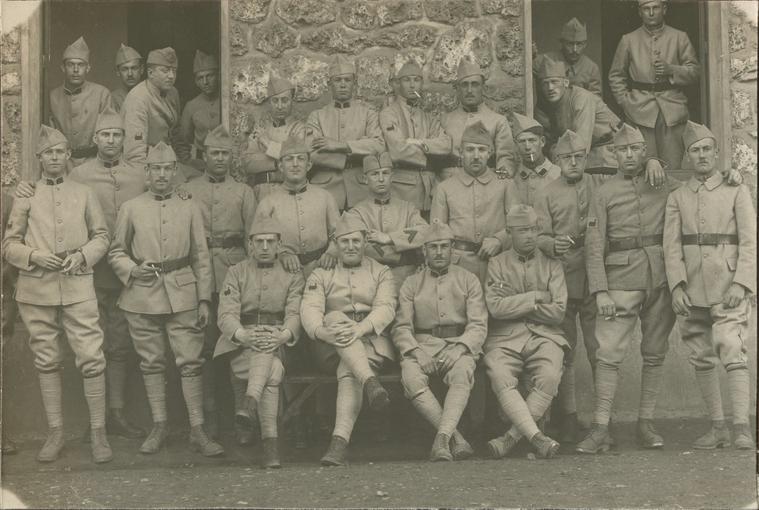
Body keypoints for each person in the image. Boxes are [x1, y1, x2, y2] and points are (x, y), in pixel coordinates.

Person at [3, 125, 111, 463]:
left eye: (60, 152)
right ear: (39, 158)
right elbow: (9, 245)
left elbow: (102, 236)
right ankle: (55, 432)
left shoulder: (84, 192)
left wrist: (83, 256)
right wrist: (34, 256)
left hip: (78, 286)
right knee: (46, 359)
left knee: (92, 357)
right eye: (48, 153)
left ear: (68, 156)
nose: (54, 158)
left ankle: (98, 433)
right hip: (36, 289)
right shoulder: (26, 195)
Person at [108, 141, 223, 457]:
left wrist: (203, 300)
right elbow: (116, 249)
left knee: (190, 361)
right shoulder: (131, 207)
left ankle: (197, 429)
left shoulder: (189, 206)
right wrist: (132, 269)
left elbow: (201, 256)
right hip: (141, 295)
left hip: (183, 291)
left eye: (167, 169)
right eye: (155, 168)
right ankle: (159, 425)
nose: (161, 174)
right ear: (146, 172)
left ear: (175, 171)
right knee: (151, 361)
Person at [576, 123, 680, 453]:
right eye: (623, 150)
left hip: (659, 279)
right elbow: (594, 244)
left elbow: (695, 191)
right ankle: (600, 427)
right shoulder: (604, 192)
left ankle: (645, 424)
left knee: (654, 353)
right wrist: (600, 291)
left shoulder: (660, 182)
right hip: (619, 280)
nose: (629, 155)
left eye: (635, 149)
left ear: (643, 151)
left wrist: (659, 164)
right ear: (614, 154)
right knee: (608, 355)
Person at [663, 122, 756, 450]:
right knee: (701, 356)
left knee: (733, 349)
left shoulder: (736, 190)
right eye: (695, 150)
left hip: (727, 286)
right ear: (687, 157)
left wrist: (742, 283)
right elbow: (671, 246)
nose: (701, 155)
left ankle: (742, 426)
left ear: (716, 153)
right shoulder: (678, 196)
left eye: (706, 149)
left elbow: (749, 240)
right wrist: (676, 286)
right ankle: (717, 426)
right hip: (693, 291)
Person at [300, 217, 397, 466]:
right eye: (345, 241)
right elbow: (309, 310)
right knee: (333, 316)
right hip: (330, 344)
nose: (351, 246)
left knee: (349, 370)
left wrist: (360, 328)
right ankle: (370, 382)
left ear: (365, 242)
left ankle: (338, 443)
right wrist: (323, 333)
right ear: (336, 243)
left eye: (356, 241)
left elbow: (386, 308)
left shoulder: (381, 271)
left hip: (372, 341)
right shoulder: (322, 273)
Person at [185, 124, 257, 440]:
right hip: (198, 280)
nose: (219, 159)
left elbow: (253, 238)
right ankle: (209, 418)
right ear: (204, 154)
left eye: (225, 154)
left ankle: (242, 417)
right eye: (214, 153)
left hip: (234, 274)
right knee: (202, 348)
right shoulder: (189, 189)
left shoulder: (243, 192)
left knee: (236, 346)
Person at [392, 221, 487, 461]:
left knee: (463, 371)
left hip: (458, 342)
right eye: (433, 247)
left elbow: (478, 324)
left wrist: (461, 348)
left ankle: (441, 439)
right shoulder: (411, 283)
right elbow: (401, 327)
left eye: (444, 246)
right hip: (422, 344)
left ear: (453, 248)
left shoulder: (468, 279)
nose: (439, 252)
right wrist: (417, 351)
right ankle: (455, 438)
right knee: (411, 378)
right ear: (424, 250)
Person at [215, 217, 305, 468]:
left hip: (279, 339)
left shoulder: (292, 274)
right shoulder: (236, 271)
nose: (265, 247)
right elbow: (226, 314)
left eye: (270, 242)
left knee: (268, 354)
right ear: (250, 245)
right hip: (241, 343)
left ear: (279, 245)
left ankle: (249, 402)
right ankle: (271, 447)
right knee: (273, 372)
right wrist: (243, 335)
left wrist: (284, 334)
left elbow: (295, 312)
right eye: (259, 242)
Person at [535, 129, 604, 444]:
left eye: (578, 157)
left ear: (586, 158)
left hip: (595, 279)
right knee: (565, 350)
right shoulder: (546, 193)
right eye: (567, 158)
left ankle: (602, 422)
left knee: (599, 351)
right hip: (561, 280)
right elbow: (539, 237)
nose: (573, 163)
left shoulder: (597, 186)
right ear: (557, 160)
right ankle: (570, 417)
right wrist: (553, 243)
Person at [484, 204, 567, 460]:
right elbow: (496, 308)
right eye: (522, 231)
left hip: (545, 335)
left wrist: (516, 303)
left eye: (533, 229)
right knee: (499, 373)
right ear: (509, 233)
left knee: (551, 374)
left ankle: (511, 437)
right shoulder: (497, 263)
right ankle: (536, 437)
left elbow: (558, 312)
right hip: (505, 337)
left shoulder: (552, 264)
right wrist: (534, 298)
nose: (530, 235)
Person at [608, 0, 700, 170]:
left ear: (664, 9)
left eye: (655, 7)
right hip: (639, 110)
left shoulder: (679, 37)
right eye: (646, 8)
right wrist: (625, 102)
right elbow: (616, 75)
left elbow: (695, 72)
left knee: (673, 166)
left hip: (672, 110)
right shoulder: (628, 40)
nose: (651, 13)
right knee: (642, 165)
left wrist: (671, 69)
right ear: (639, 11)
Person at [430, 121, 512, 285]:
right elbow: (436, 233)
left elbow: (517, 225)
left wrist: (499, 240)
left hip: (497, 263)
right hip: (458, 266)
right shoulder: (444, 188)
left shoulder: (505, 184)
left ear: (490, 153)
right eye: (470, 150)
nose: (476, 156)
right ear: (461, 152)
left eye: (481, 150)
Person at [306, 56, 385, 211]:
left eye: (347, 80)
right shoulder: (317, 116)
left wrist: (341, 145)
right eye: (338, 80)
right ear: (329, 84)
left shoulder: (368, 113)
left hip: (361, 186)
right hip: (326, 187)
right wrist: (357, 150)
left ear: (354, 84)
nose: (343, 85)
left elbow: (379, 146)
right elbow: (311, 153)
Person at [342, 152, 427, 293]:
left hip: (408, 277)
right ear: (365, 178)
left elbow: (426, 232)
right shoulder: (356, 213)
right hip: (371, 278)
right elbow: (363, 248)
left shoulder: (407, 208)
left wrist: (389, 238)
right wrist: (405, 252)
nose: (381, 179)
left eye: (385, 173)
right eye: (374, 174)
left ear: (392, 177)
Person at [254, 136, 339, 278]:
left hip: (321, 271)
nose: (295, 164)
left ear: (309, 165)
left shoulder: (325, 197)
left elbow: (339, 233)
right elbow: (255, 244)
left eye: (300, 158)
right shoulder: (268, 202)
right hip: (282, 273)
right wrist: (281, 253)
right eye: (289, 159)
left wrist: (331, 252)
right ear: (281, 166)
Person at [380, 60, 452, 213]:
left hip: (430, 188)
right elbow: (398, 150)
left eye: (416, 80)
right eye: (407, 80)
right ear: (398, 84)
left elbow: (446, 145)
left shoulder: (428, 117)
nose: (412, 85)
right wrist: (431, 156)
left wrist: (418, 142)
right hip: (402, 189)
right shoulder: (389, 114)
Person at [535, 56, 619, 174]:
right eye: (545, 84)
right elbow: (549, 140)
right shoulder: (547, 105)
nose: (550, 88)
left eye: (554, 82)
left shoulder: (581, 97)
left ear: (565, 82)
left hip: (608, 152)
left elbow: (581, 142)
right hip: (579, 154)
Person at [440, 58, 516, 180]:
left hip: (485, 183)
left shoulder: (498, 121)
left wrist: (499, 183)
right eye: (464, 85)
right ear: (457, 89)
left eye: (474, 84)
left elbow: (506, 158)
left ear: (483, 88)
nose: (469, 90)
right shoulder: (445, 120)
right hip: (450, 182)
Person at [49, 36, 112, 167]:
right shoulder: (53, 96)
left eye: (81, 65)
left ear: (88, 68)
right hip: (64, 164)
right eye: (71, 64)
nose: (76, 70)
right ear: (63, 67)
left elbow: (108, 135)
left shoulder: (101, 93)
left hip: (94, 162)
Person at [243, 76, 306, 200]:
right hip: (260, 191)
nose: (280, 106)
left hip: (288, 190)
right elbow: (248, 163)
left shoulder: (299, 128)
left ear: (291, 101)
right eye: (275, 101)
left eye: (284, 100)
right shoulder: (261, 129)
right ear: (269, 103)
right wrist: (279, 162)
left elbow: (298, 161)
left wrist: (267, 144)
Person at [122, 47, 182, 167]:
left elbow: (176, 133)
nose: (171, 76)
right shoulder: (138, 97)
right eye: (165, 71)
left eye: (174, 71)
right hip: (149, 165)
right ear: (150, 73)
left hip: (169, 161)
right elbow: (135, 152)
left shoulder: (172, 92)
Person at [178, 51, 221, 171]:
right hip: (201, 165)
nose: (205, 82)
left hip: (226, 160)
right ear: (196, 82)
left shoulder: (227, 102)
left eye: (210, 76)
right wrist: (190, 163)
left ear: (218, 76)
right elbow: (182, 142)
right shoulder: (191, 106)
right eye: (200, 78)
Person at [507, 113, 561, 207]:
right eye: (522, 141)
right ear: (516, 144)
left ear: (542, 142)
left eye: (532, 140)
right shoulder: (513, 177)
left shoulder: (558, 175)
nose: (527, 147)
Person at [538, 18, 602, 96]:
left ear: (585, 44)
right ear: (562, 43)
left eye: (579, 44)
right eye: (570, 44)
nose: (574, 50)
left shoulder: (592, 68)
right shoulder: (546, 59)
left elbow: (595, 100)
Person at [111, 44, 143, 113]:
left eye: (134, 68)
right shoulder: (113, 99)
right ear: (118, 72)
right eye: (124, 69)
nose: (130, 74)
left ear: (142, 69)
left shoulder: (151, 93)